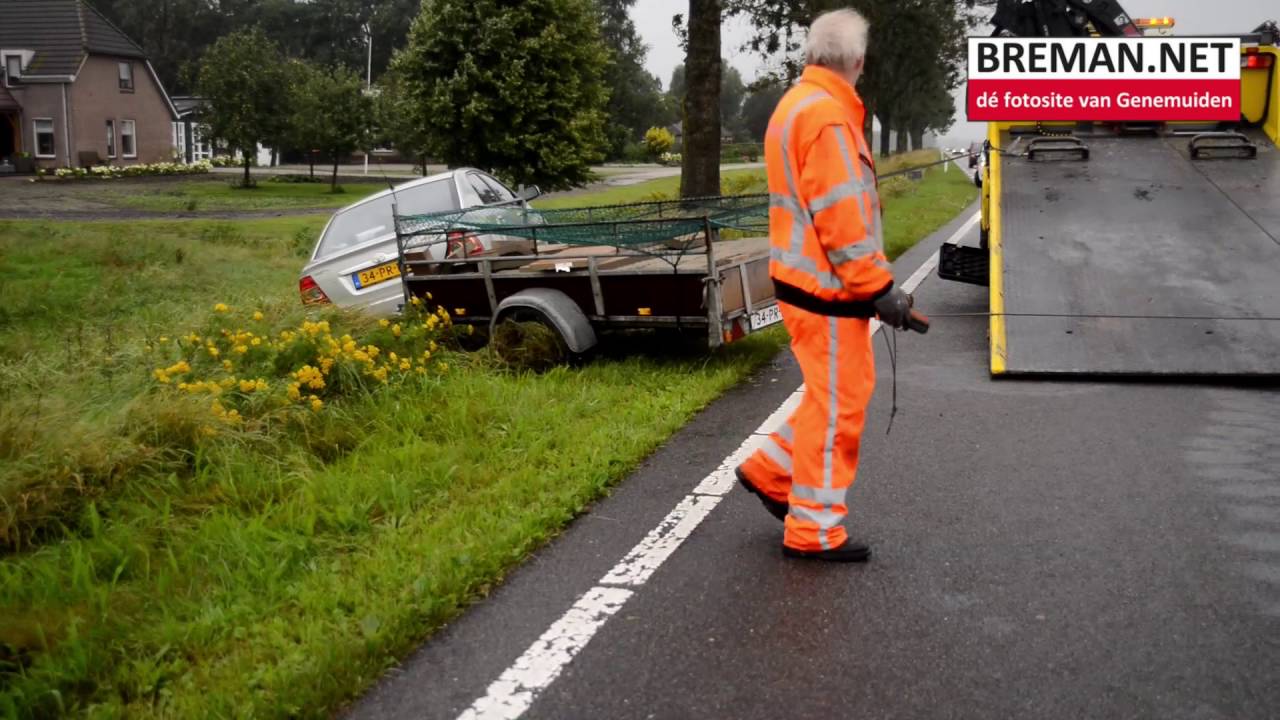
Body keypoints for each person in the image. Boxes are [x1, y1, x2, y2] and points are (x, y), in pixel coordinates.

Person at [734, 8, 913, 562]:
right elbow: (842, 218)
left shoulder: (795, 106)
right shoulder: (832, 119)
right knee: (839, 411)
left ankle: (771, 473)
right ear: (857, 62)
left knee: (828, 398)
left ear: (813, 56)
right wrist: (880, 288)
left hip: (800, 282)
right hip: (828, 292)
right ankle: (813, 530)